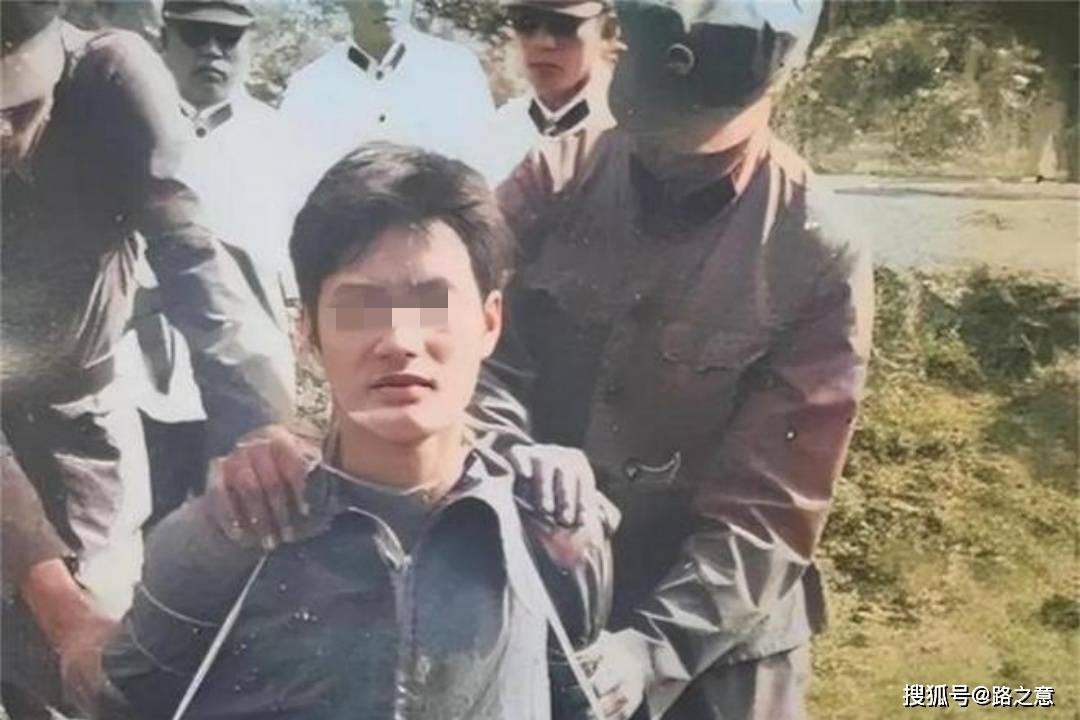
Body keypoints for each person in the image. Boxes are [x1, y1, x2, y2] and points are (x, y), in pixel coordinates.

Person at [103, 143, 614, 720]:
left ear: (489, 322)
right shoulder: (229, 536)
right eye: (360, 308)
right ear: (308, 333)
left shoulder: (549, 528)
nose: (398, 341)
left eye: (434, 305)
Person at [473, 1, 873, 718]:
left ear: (772, 90)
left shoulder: (817, 250)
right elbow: (465, 343)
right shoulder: (554, 177)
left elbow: (771, 504)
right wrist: (513, 454)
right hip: (546, 595)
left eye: (702, 138)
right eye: (653, 124)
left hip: (719, 637)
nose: (669, 155)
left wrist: (651, 649)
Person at [0, 2, 294, 716]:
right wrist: (56, 604)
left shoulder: (110, 77)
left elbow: (194, 258)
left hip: (80, 431)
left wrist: (262, 426)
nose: (0, 132)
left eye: (17, 108)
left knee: (98, 668)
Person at [126, 0, 299, 527]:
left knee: (240, 531)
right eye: (196, 36)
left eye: (228, 39)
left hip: (247, 382)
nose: (212, 52)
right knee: (145, 527)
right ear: (164, 40)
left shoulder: (280, 139)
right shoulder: (126, 125)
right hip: (140, 376)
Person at [280, 0, 497, 192]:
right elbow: (294, 186)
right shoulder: (309, 85)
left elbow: (485, 170)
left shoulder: (455, 68)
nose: (385, 3)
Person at [488, 0, 618, 188]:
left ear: (606, 30)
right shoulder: (499, 131)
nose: (543, 42)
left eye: (564, 26)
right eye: (526, 23)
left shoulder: (631, 132)